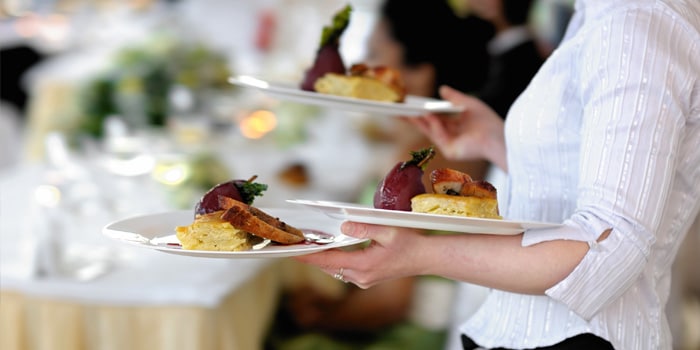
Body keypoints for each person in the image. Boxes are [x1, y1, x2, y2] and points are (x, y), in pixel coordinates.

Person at [294, 0, 700, 349]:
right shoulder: (598, 16)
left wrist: (420, 255)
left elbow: (609, 246)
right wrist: (496, 143)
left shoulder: (636, 26)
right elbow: (582, 192)